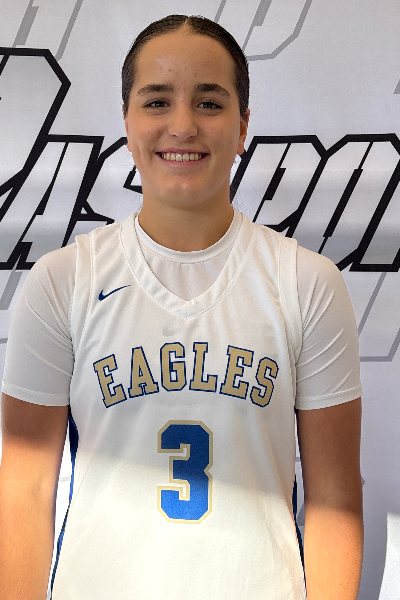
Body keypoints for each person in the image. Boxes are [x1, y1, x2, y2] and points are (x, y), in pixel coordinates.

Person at [0, 14, 363, 600]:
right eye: (157, 101)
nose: (183, 125)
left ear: (243, 127)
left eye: (210, 103)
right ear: (127, 121)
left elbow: (335, 497)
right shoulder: (63, 281)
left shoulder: (307, 283)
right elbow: (24, 489)